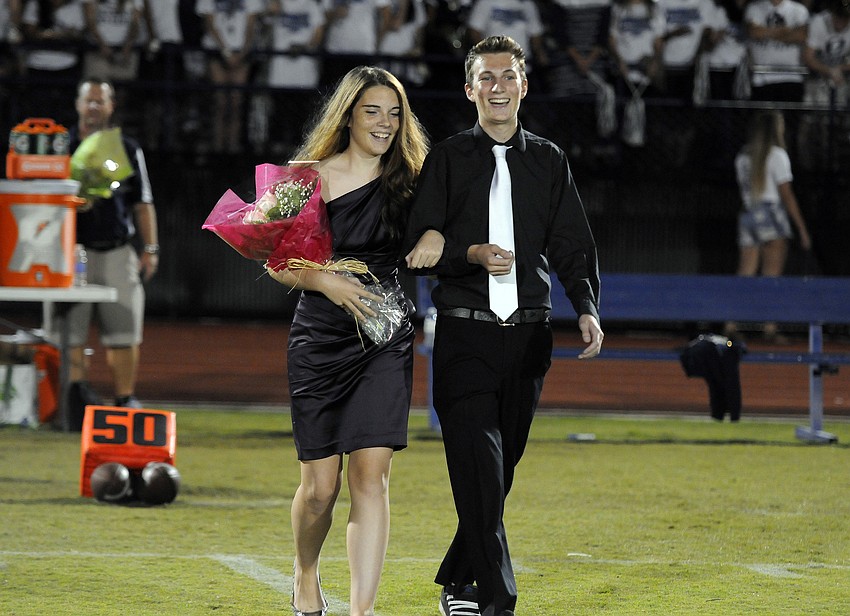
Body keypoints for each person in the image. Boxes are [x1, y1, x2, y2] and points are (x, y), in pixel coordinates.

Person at [404, 35, 603, 616]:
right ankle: (494, 599)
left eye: (507, 76)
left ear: (523, 85)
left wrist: (586, 307)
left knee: (499, 470)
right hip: (465, 333)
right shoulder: (446, 159)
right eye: (485, 78)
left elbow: (572, 243)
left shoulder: (548, 159)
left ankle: (459, 572)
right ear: (470, 90)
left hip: (530, 336)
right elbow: (416, 248)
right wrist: (466, 252)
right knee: (480, 464)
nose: (497, 86)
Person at [264, 66, 429, 616]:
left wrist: (438, 233)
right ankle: (305, 573)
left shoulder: (413, 177)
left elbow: (448, 226)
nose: (385, 123)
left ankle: (362, 610)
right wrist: (325, 278)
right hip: (321, 338)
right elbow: (278, 260)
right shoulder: (305, 177)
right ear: (349, 116)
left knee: (371, 477)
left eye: (394, 112)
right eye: (372, 111)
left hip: (384, 337)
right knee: (319, 488)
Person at [50, 77, 159, 410]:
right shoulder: (58, 145)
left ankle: (124, 399)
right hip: (68, 252)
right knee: (69, 334)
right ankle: (74, 399)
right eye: (89, 100)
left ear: (112, 106)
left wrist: (150, 249)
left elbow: (142, 202)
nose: (94, 106)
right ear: (78, 104)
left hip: (116, 250)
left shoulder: (126, 147)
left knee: (123, 331)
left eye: (101, 100)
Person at [725, 110, 811, 342]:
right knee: (772, 275)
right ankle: (769, 327)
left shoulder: (743, 156)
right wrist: (802, 229)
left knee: (745, 273)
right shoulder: (777, 155)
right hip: (771, 212)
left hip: (749, 212)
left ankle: (731, 323)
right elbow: (787, 195)